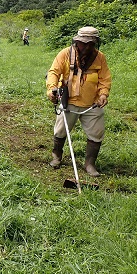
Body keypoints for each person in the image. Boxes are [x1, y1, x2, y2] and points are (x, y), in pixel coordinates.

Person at [45, 26, 112, 177]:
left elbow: (104, 79)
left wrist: (103, 95)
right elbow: (53, 72)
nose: (86, 47)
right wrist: (52, 89)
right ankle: (57, 156)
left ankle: (90, 164)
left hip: (92, 103)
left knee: (97, 133)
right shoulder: (65, 54)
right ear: (77, 41)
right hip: (69, 101)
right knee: (61, 130)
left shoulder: (100, 57)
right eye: (83, 43)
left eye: (90, 44)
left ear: (95, 43)